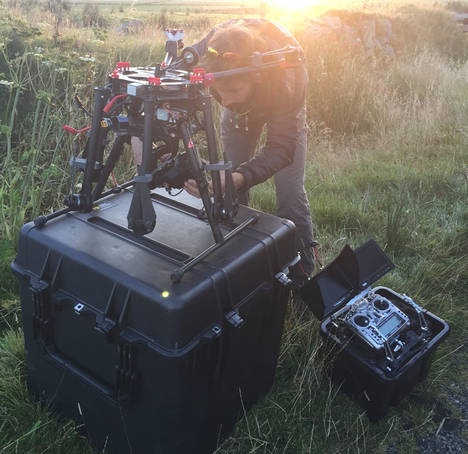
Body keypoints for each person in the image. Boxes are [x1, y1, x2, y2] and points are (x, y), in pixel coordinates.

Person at [185, 18, 315, 279]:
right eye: (220, 91)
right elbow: (163, 90)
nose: (227, 100)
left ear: (256, 77)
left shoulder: (288, 75)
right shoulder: (205, 52)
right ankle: (235, 265)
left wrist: (240, 177)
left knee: (290, 193)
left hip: (281, 100)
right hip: (245, 110)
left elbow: (281, 149)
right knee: (227, 188)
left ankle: (302, 276)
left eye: (234, 89)